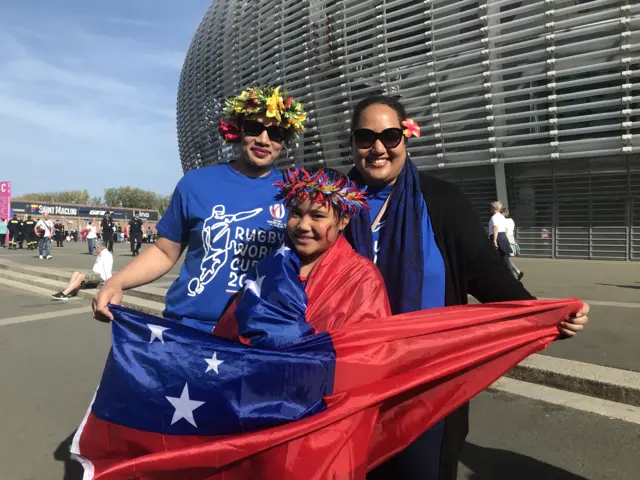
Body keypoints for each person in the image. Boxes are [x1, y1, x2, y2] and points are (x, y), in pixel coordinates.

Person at [343, 95, 589, 480]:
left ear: (406, 137)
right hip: (347, 388)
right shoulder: (330, 201)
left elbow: (487, 274)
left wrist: (548, 317)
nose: (378, 148)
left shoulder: (441, 201)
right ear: (352, 142)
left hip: (425, 388)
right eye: (365, 136)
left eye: (390, 136)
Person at [92, 86, 308, 332]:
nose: (263, 139)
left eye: (276, 133)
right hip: (191, 329)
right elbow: (164, 251)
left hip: (259, 333)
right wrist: (116, 282)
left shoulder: (296, 194)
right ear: (238, 130)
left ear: (284, 141)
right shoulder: (195, 184)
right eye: (254, 128)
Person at [215, 168, 390, 345]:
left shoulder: (363, 279)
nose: (303, 225)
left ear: (344, 220)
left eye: (317, 216)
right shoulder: (267, 267)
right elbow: (229, 335)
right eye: (296, 213)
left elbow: (368, 351)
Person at [501, 207, 524, 281]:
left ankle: (514, 274)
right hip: (511, 239)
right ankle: (517, 272)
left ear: (502, 212)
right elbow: (513, 230)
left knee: (504, 258)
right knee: (505, 258)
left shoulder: (503, 221)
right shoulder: (511, 220)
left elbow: (505, 230)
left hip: (505, 239)